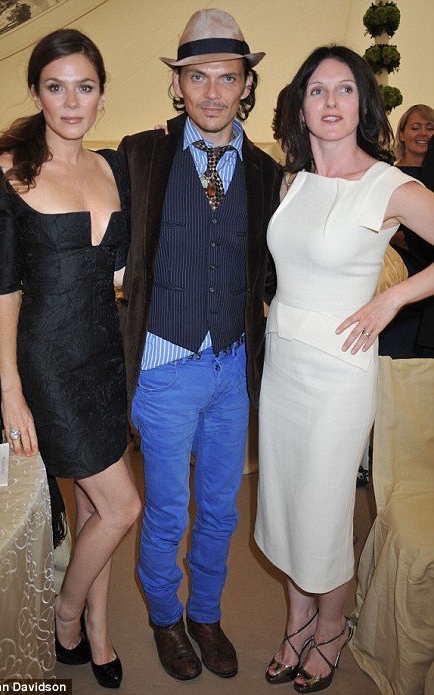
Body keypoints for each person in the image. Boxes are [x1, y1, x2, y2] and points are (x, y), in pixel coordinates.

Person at [254, 45, 434, 693]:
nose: (331, 102)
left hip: (339, 373)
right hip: (283, 364)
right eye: (317, 90)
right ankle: (297, 618)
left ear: (364, 104)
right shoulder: (291, 181)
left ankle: (331, 626)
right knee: (283, 498)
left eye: (345, 89)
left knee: (322, 506)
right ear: (300, 107)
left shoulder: (391, 185)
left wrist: (395, 296)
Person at [0, 29, 141, 689]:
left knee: (96, 506)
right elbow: (4, 291)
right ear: (37, 93)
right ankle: (67, 611)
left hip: (105, 355)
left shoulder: (113, 167)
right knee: (123, 505)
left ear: (101, 94)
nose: (72, 102)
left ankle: (96, 631)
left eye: (84, 87)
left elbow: (116, 272)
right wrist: (11, 389)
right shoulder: (5, 173)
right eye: (56, 87)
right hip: (49, 361)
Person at [118, 8, 281, 682]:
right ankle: (164, 615)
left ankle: (206, 613)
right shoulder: (140, 154)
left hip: (232, 368)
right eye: (198, 76)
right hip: (164, 364)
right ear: (177, 84)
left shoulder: (267, 172)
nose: (213, 92)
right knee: (165, 510)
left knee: (219, 508)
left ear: (247, 85)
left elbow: (271, 271)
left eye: (227, 77)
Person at [379, 104, 434, 358]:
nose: (423, 133)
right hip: (402, 271)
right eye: (415, 127)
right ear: (401, 134)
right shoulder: (389, 176)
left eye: (430, 127)